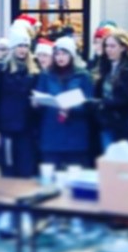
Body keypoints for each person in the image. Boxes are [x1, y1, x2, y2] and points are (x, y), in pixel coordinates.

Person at [0, 26, 39, 178]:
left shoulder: (34, 71)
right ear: (13, 47)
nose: (23, 50)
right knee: (8, 169)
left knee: (26, 169)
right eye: (20, 46)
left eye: (26, 46)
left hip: (26, 128)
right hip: (6, 127)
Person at [34, 36, 94, 169]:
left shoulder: (83, 75)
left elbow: (90, 102)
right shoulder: (46, 75)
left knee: (74, 175)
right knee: (51, 174)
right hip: (51, 132)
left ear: (71, 55)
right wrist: (37, 103)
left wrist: (72, 108)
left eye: (64, 53)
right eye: (57, 54)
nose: (60, 57)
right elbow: (40, 95)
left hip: (75, 133)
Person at [93, 29, 128, 149]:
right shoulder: (105, 66)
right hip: (106, 121)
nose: (108, 50)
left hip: (124, 123)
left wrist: (102, 104)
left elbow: (126, 97)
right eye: (106, 46)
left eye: (112, 46)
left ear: (123, 48)